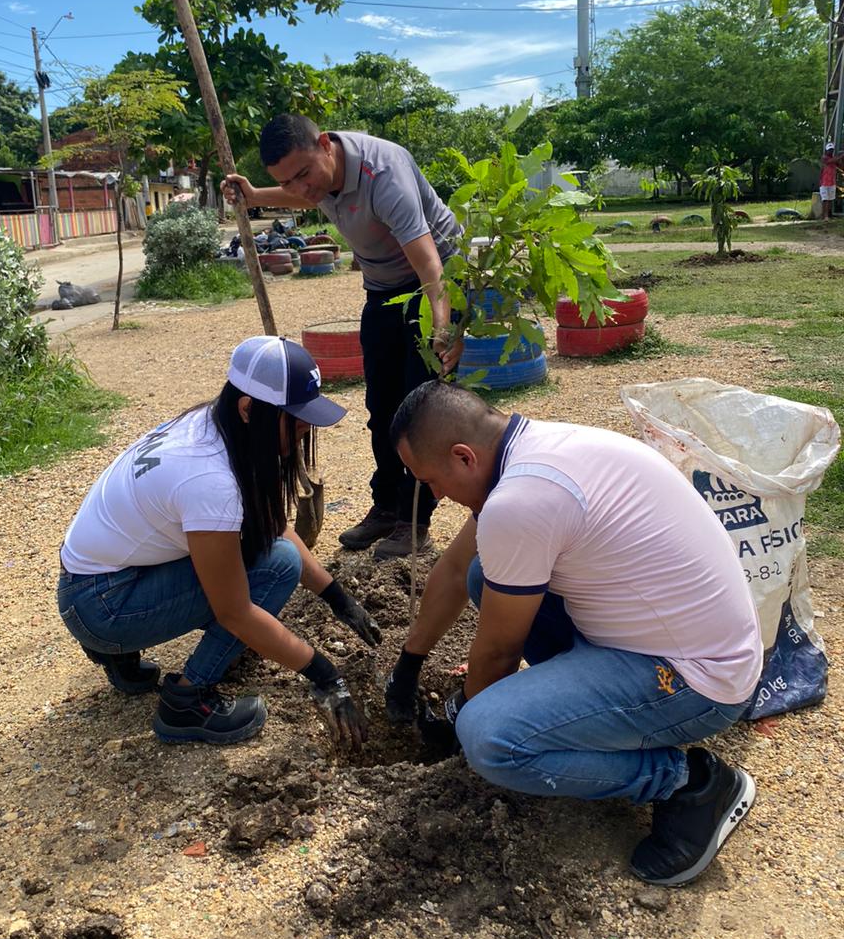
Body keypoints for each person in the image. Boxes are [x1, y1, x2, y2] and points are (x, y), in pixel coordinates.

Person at [383, 382, 763, 886]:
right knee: (482, 574)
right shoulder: (533, 450)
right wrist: (408, 666)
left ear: (463, 456)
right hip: (666, 637)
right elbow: (454, 572)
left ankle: (687, 785)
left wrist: (465, 720)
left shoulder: (521, 500)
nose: (434, 494)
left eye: (431, 480)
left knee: (489, 738)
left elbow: (497, 652)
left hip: (697, 681)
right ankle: (586, 715)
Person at [56, 336, 379, 749]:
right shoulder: (209, 480)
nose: (303, 433)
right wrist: (325, 676)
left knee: (269, 553)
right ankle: (187, 703)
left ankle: (118, 653)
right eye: (295, 423)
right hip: (101, 605)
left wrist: (338, 598)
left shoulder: (211, 424)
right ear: (249, 409)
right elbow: (235, 611)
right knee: (277, 566)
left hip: (98, 580)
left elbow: (273, 524)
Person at [221, 115, 462, 561]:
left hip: (433, 285)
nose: (300, 189)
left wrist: (443, 327)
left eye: (303, 174)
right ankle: (387, 506)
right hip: (383, 289)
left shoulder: (382, 175)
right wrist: (255, 196)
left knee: (419, 409)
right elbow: (303, 190)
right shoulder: (315, 177)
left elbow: (432, 268)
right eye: (286, 181)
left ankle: (415, 520)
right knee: (381, 406)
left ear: (326, 145)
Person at [818, 141, 844, 221]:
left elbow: (841, 167)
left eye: (832, 150)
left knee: (830, 199)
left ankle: (829, 214)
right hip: (824, 182)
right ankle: (824, 216)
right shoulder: (824, 158)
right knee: (825, 199)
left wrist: (841, 160)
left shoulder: (835, 159)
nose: (831, 151)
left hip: (832, 182)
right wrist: (841, 156)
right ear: (826, 150)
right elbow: (830, 161)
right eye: (829, 150)